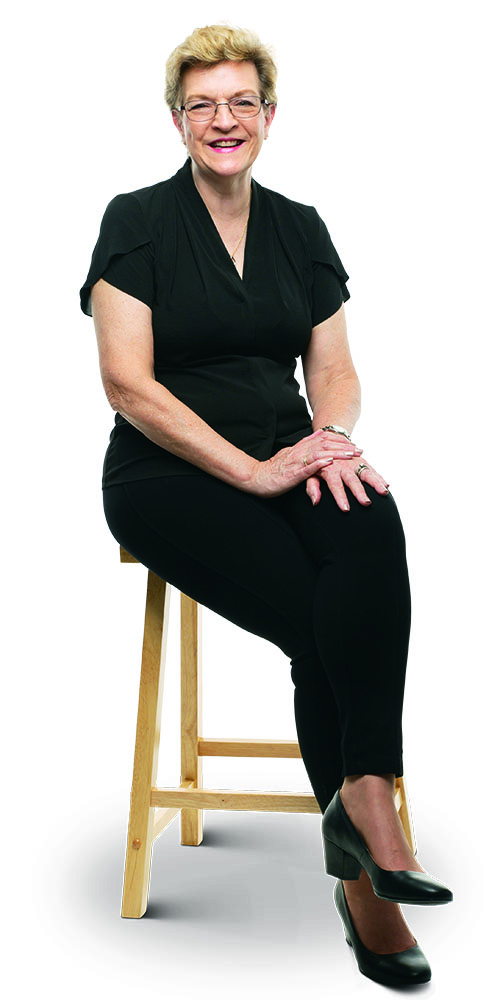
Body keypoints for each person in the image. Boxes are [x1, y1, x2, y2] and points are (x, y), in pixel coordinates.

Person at [79, 24, 452, 987]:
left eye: (241, 101)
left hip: (288, 452)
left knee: (372, 524)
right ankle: (368, 883)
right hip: (167, 475)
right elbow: (128, 384)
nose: (223, 120)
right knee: (327, 619)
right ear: (177, 121)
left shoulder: (301, 225)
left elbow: (334, 369)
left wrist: (325, 441)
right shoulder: (137, 220)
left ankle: (365, 800)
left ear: (269, 115)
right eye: (202, 104)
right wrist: (248, 474)